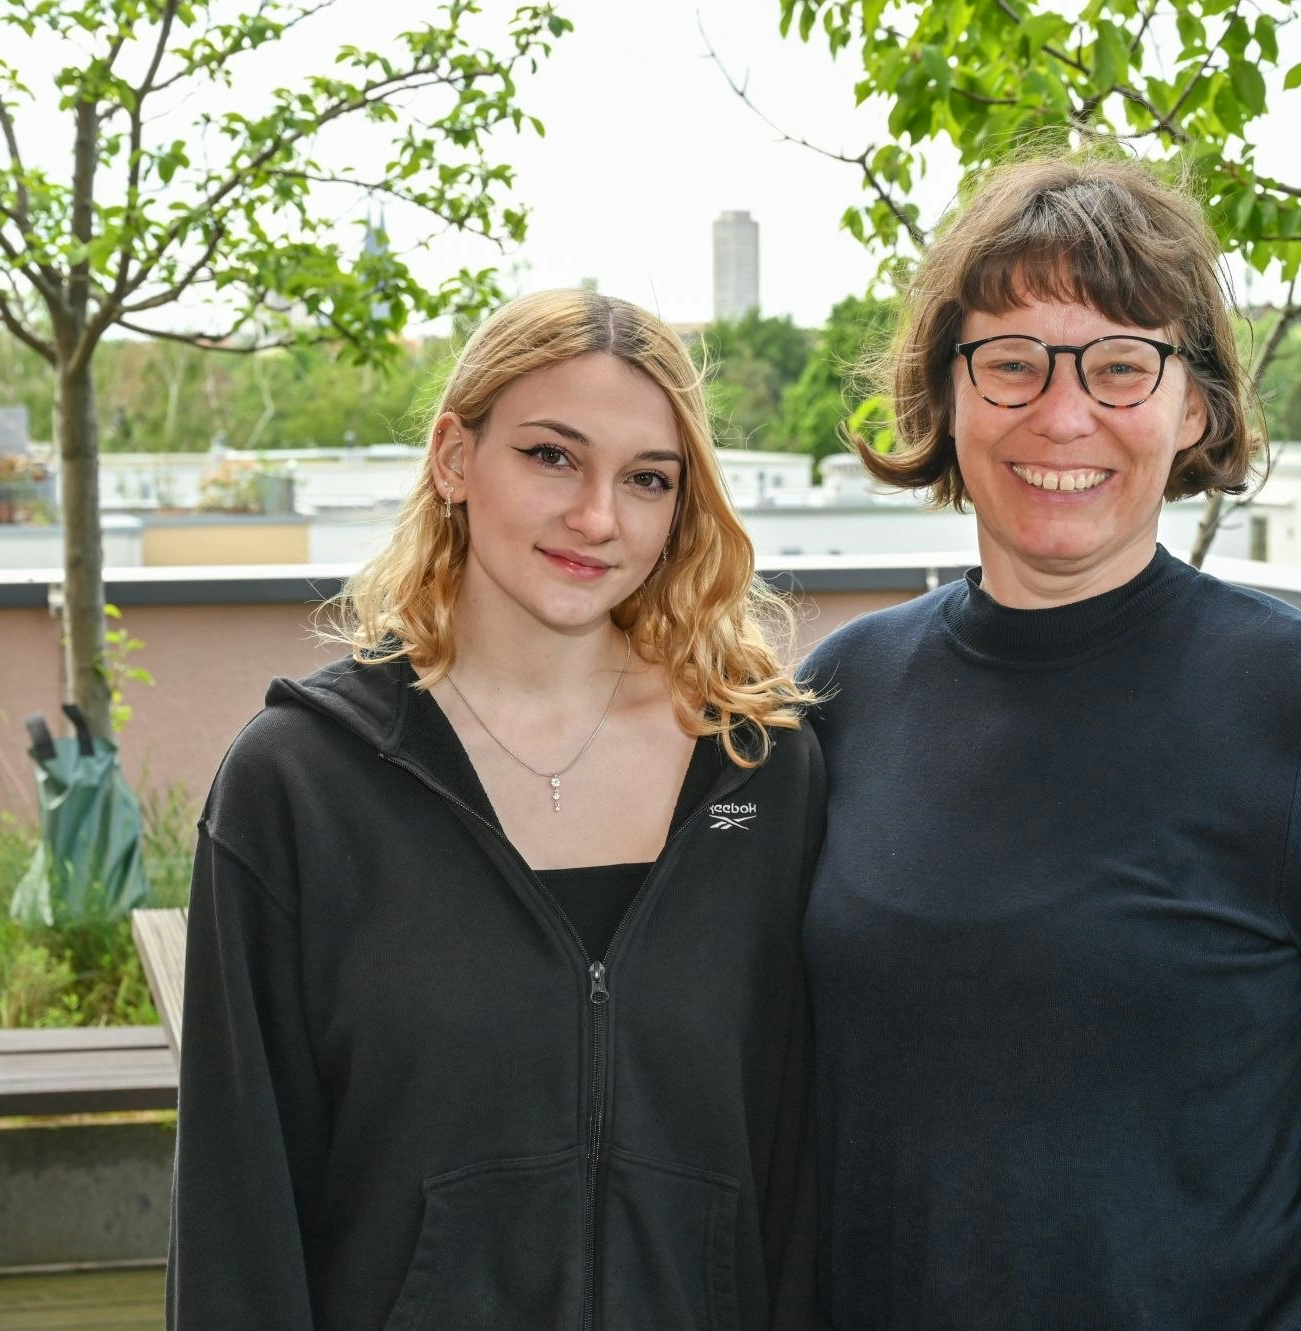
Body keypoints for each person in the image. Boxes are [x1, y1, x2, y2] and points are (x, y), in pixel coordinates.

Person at [800, 156, 1301, 1330]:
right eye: (1010, 360)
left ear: (1195, 408)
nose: (1060, 413)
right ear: (946, 392)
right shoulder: (845, 693)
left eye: (1121, 364)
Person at [168, 289, 824, 1331]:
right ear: (452, 458)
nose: (597, 516)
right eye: (551, 456)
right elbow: (236, 1205)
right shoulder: (300, 785)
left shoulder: (758, 766)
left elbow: (798, 1170)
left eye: (645, 479)